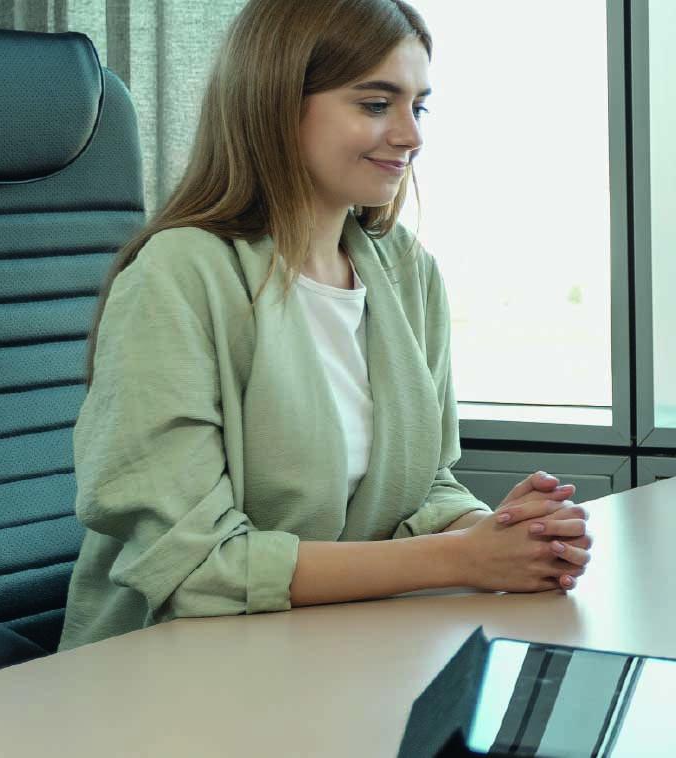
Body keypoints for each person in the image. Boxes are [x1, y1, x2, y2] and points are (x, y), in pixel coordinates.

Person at [63, 0, 593, 650]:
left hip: (332, 654)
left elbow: (421, 486)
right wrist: (461, 560)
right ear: (276, 104)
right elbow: (194, 570)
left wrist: (506, 534)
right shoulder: (178, 277)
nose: (411, 135)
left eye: (418, 106)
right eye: (376, 105)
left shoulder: (405, 272)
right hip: (170, 681)